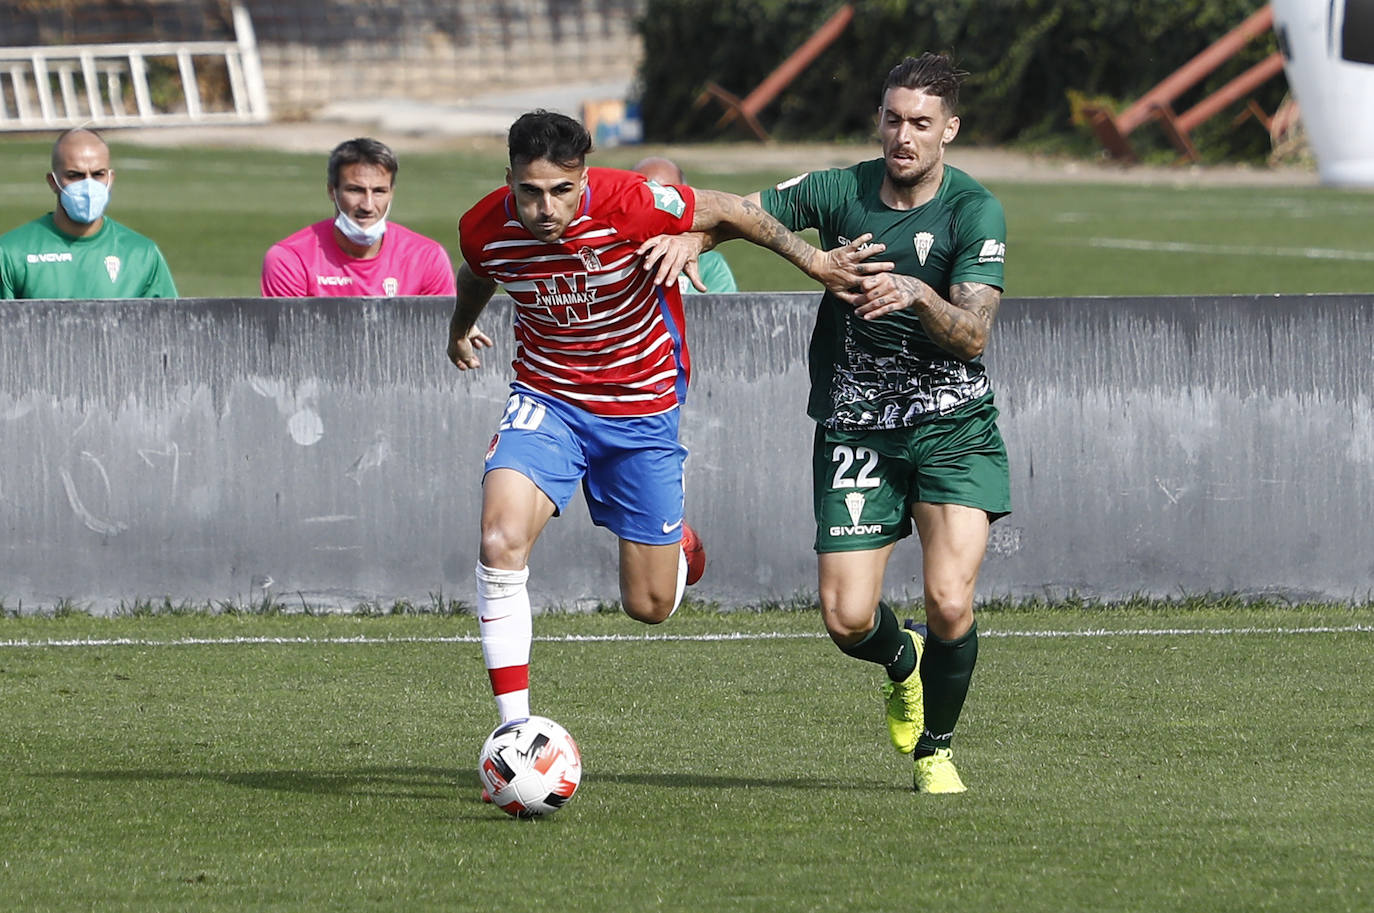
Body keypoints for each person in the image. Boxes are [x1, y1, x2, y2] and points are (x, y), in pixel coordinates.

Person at [447, 111, 879, 754]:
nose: (545, 208)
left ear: (584, 178)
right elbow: (480, 269)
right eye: (529, 191)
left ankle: (676, 544)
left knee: (648, 606)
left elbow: (733, 209)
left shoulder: (633, 201)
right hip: (548, 398)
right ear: (508, 178)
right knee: (499, 537)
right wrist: (460, 325)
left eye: (561, 192)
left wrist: (815, 262)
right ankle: (514, 733)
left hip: (640, 406)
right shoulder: (483, 226)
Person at [690, 53, 1009, 793]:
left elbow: (973, 335)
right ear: (880, 120)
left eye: (921, 124)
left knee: (950, 600)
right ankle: (902, 663)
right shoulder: (839, 189)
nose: (904, 136)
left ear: (949, 130)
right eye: (893, 119)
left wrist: (916, 295)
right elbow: (732, 208)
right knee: (846, 617)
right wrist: (702, 242)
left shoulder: (973, 209)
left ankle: (936, 748)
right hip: (856, 427)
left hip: (952, 425)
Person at [260, 137, 456, 298]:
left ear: (391, 193)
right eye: (356, 190)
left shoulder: (427, 258)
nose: (368, 206)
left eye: (379, 191)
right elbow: (290, 341)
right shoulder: (290, 260)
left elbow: (438, 335)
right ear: (332, 191)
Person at [0, 128, 177, 299]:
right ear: (53, 182)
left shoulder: (142, 254)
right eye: (75, 175)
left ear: (111, 178)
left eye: (98, 174)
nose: (88, 186)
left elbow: (169, 325)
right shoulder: (10, 252)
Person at [632, 156, 738, 294]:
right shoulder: (615, 259)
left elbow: (721, 312)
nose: (658, 210)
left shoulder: (710, 265)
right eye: (647, 199)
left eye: (667, 200)